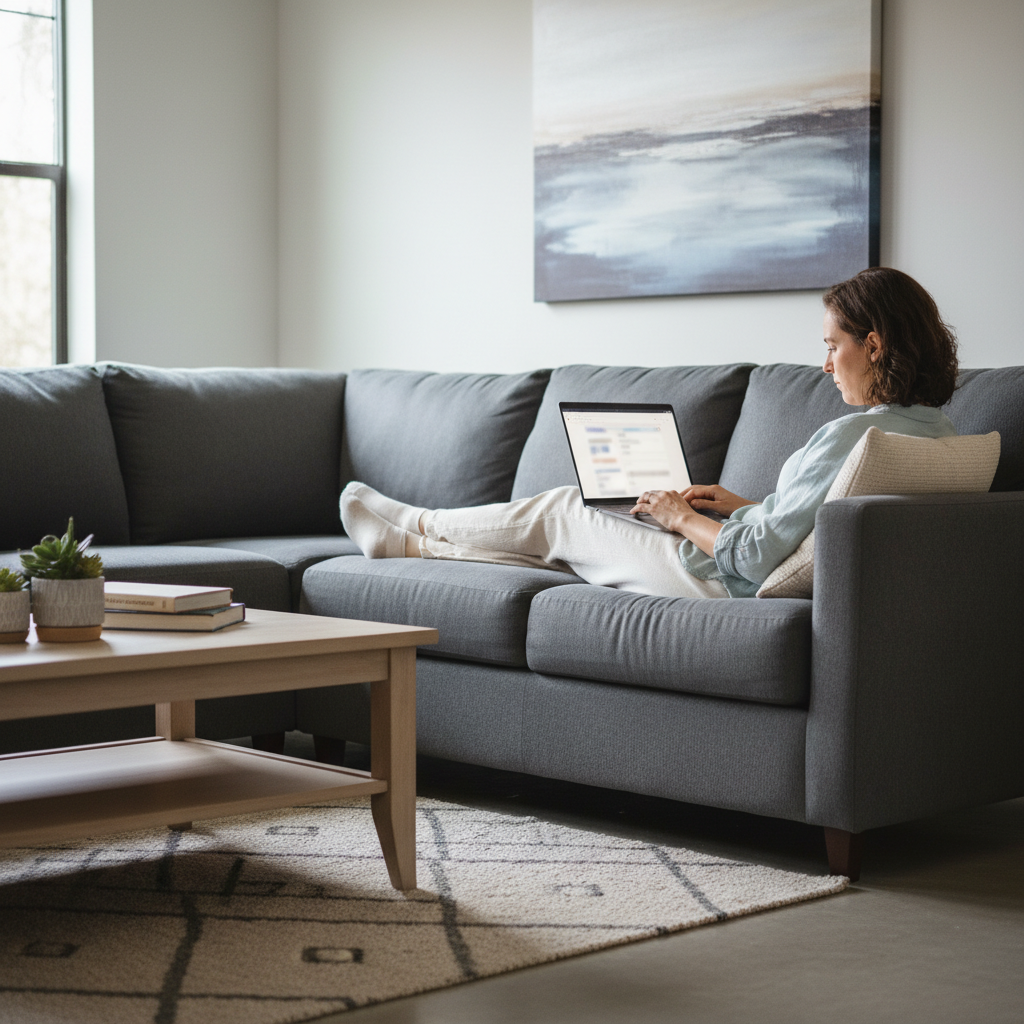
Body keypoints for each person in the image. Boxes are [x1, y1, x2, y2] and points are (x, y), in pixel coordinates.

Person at [341, 267, 960, 599]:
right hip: (741, 567)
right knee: (564, 549)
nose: (826, 365)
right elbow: (816, 524)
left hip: (722, 581)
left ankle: (420, 521)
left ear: (872, 345)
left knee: (563, 509)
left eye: (833, 347)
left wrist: (676, 516)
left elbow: (752, 557)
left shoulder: (851, 436)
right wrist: (741, 505)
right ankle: (411, 549)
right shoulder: (933, 431)